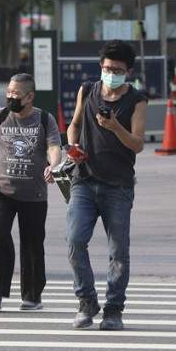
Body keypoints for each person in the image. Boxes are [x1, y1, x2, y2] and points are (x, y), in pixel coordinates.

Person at [66, 39, 148, 331]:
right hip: (84, 180)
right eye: (107, 67)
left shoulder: (136, 100)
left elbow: (138, 144)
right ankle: (87, 300)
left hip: (119, 186)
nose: (110, 72)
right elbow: (74, 124)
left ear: (128, 72)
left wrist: (115, 127)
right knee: (74, 240)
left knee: (118, 251)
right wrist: (72, 146)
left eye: (117, 69)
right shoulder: (87, 90)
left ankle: (114, 308)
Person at [0, 73, 62, 311]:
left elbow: (54, 147)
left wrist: (53, 165)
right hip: (0, 190)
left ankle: (32, 296)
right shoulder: (0, 116)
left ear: (30, 96)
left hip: (33, 193)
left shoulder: (44, 119)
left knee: (32, 245)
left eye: (16, 94)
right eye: (8, 92)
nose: (11, 97)